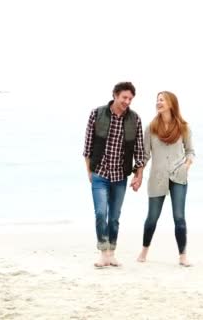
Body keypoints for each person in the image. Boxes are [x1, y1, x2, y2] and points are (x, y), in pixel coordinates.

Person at [83, 81, 145, 268]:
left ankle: (111, 253)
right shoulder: (97, 113)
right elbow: (87, 147)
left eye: (130, 99)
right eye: (124, 97)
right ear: (115, 95)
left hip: (120, 176)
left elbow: (139, 151)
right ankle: (103, 253)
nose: (127, 101)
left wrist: (138, 175)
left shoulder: (135, 119)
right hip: (100, 173)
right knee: (101, 213)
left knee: (115, 216)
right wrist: (89, 172)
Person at [137, 91, 195, 267]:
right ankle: (144, 250)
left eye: (162, 100)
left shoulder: (184, 127)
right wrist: (138, 173)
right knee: (152, 217)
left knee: (179, 217)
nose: (158, 102)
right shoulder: (151, 128)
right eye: (157, 100)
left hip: (178, 176)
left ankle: (182, 256)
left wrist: (187, 164)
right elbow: (145, 155)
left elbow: (190, 151)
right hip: (157, 177)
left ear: (171, 103)